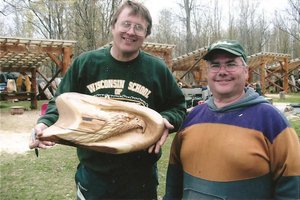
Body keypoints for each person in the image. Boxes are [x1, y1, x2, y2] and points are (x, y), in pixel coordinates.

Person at [29, 1, 186, 199]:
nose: (131, 31)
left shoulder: (157, 69)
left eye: (139, 27)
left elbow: (179, 107)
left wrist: (166, 121)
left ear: (146, 34)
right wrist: (44, 124)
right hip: (94, 176)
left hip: (140, 178)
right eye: (126, 24)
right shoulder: (86, 64)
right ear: (113, 26)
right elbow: (59, 104)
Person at [164, 40, 300, 199]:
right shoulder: (192, 118)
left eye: (230, 64)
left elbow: (292, 186)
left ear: (246, 72)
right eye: (215, 65)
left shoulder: (271, 120)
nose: (222, 71)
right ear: (207, 73)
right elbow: (174, 181)